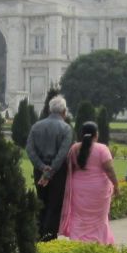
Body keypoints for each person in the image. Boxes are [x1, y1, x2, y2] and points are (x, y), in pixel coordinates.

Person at [59, 121, 118, 245]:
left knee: (78, 218)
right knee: (100, 220)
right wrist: (116, 185)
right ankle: (99, 243)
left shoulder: (74, 148)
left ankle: (77, 243)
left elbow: (70, 168)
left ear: (82, 134)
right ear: (96, 134)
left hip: (79, 189)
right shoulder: (102, 149)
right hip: (99, 190)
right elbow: (109, 170)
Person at [25, 95, 73, 241]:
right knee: (55, 205)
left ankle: (38, 235)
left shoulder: (36, 126)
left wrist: (42, 168)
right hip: (57, 173)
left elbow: (29, 149)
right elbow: (62, 155)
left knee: (41, 203)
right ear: (64, 111)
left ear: (49, 110)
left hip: (40, 171)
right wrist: (50, 172)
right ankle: (48, 239)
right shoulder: (66, 128)